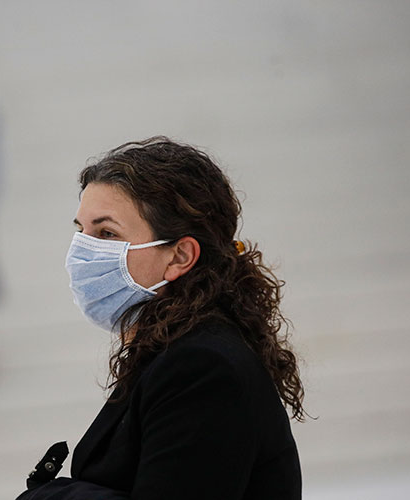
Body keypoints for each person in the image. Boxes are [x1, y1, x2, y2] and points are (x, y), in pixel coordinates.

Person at [17, 137, 303, 499]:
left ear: (180, 256)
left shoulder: (202, 367)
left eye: (107, 233)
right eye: (81, 231)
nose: (82, 252)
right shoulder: (169, 347)